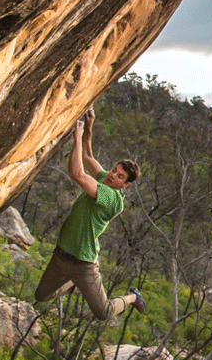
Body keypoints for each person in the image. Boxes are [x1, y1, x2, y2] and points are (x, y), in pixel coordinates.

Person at [35, 108, 146, 318]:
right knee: (41, 296)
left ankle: (133, 297)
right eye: (114, 170)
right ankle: (71, 285)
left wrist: (76, 137)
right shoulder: (106, 178)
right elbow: (87, 156)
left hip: (83, 263)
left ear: (126, 185)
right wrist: (89, 127)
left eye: (119, 176)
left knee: (103, 312)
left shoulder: (112, 199)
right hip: (61, 256)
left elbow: (78, 173)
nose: (112, 175)